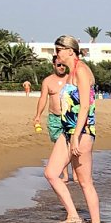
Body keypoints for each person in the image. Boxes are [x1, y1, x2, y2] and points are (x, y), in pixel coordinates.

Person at [44, 35, 100, 223]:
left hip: (82, 133)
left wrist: (76, 136)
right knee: (51, 173)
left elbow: (85, 106)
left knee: (85, 182)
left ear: (70, 51)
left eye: (58, 50)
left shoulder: (81, 70)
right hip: (67, 131)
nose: (56, 54)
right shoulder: (70, 72)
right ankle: (73, 215)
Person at [33, 56, 75, 184]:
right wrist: (38, 115)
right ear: (53, 65)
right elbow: (43, 99)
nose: (61, 67)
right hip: (54, 118)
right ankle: (65, 175)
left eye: (63, 65)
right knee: (59, 146)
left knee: (72, 144)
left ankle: (75, 174)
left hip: (69, 116)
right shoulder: (48, 81)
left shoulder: (71, 78)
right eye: (59, 65)